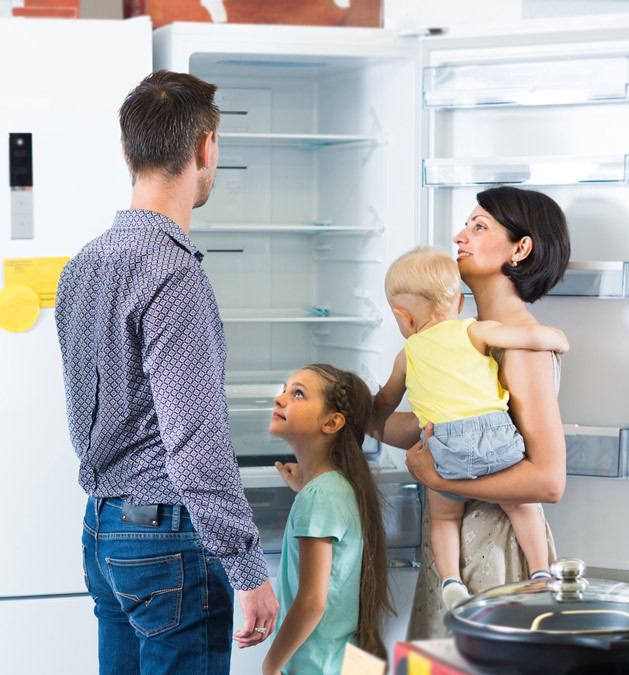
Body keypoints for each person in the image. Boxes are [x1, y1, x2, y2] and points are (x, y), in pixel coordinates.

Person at [55, 69, 278, 674]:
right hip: (168, 539)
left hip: (104, 531)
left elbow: (88, 410)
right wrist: (248, 567)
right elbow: (195, 442)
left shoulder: (82, 265)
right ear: (206, 148)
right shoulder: (174, 275)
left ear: (129, 151)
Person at [392, 185, 572, 638]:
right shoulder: (463, 338)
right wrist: (355, 416)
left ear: (521, 249)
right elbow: (436, 427)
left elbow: (548, 481)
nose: (459, 237)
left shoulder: (523, 344)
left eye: (478, 226)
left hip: (495, 557)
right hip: (458, 558)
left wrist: (437, 480)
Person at [264, 364, 393, 675]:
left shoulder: (319, 497)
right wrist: (306, 486)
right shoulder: (339, 486)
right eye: (284, 389)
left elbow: (311, 603)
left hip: (315, 666)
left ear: (332, 422)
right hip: (343, 660)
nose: (279, 399)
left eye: (297, 394)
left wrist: (270, 665)